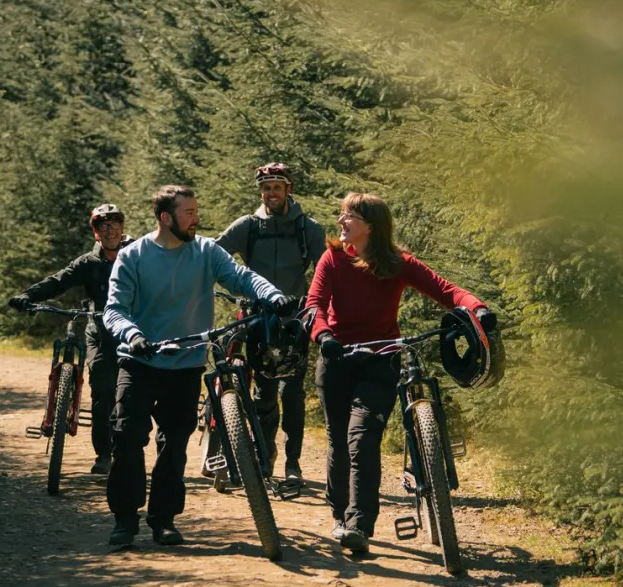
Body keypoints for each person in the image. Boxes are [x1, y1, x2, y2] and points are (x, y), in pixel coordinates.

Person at [103, 185, 295, 549]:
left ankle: (164, 520)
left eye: (196, 211)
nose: (197, 218)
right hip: (140, 362)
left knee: (174, 445)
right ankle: (125, 520)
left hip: (186, 364)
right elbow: (114, 310)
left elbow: (242, 277)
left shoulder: (206, 252)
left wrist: (273, 295)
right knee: (128, 440)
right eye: (188, 212)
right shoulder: (133, 256)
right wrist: (132, 335)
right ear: (165, 217)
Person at [305, 192, 496, 554]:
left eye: (349, 216)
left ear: (370, 227)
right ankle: (339, 516)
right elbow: (314, 304)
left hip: (381, 361)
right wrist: (323, 334)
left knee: (361, 438)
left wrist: (478, 309)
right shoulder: (332, 259)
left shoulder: (397, 263)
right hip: (337, 358)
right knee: (338, 441)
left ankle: (359, 525)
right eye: (342, 214)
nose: (341, 221)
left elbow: (447, 291)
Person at [214, 162, 325, 482]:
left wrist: (315, 305)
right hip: (257, 319)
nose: (270, 193)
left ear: (288, 189)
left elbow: (324, 270)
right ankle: (266, 457)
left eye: (277, 187)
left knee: (292, 394)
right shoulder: (248, 225)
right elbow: (214, 256)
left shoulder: (308, 228)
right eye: (266, 188)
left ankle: (293, 462)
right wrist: (236, 288)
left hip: (295, 320)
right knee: (263, 394)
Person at [9, 203, 132, 475]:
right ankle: (104, 454)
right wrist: (28, 296)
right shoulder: (87, 263)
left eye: (115, 223)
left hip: (134, 335)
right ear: (96, 233)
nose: (110, 229)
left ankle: (130, 452)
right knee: (102, 391)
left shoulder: (138, 254)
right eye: (103, 225)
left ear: (122, 228)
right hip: (99, 333)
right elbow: (58, 281)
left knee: (133, 395)